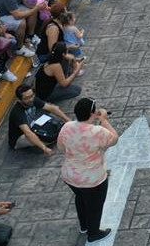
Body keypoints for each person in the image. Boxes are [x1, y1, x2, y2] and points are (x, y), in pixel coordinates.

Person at [57, 98, 118, 243]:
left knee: (80, 198)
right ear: (92, 113)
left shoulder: (67, 126)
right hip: (93, 179)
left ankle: (84, 225)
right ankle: (94, 233)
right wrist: (103, 119)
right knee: (95, 206)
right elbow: (114, 139)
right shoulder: (97, 131)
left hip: (70, 175)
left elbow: (61, 148)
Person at [8, 84, 69, 153]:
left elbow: (52, 108)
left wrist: (68, 121)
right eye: (26, 98)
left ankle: (44, 139)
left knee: (53, 119)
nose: (31, 99)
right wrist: (44, 148)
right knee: (34, 138)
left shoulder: (33, 99)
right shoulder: (17, 112)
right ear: (19, 100)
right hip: (19, 137)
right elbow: (27, 133)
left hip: (32, 125)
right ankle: (42, 143)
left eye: (32, 95)